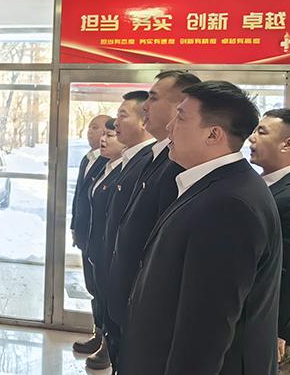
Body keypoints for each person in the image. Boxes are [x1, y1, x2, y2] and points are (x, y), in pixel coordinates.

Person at [120, 81, 282, 375]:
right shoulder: (214, 185)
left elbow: (206, 328)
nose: (169, 126)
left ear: (213, 134)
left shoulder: (229, 204)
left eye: (181, 118)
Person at [104, 71, 200, 370]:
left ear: (181, 106)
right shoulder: (152, 156)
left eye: (154, 98)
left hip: (147, 311)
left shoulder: (180, 165)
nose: (145, 106)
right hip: (127, 302)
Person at [95, 91, 155, 371]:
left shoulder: (149, 161)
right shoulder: (133, 159)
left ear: (144, 120)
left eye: (122, 115)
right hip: (115, 269)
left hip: (133, 282)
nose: (115, 122)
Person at [249, 108, 290, 361]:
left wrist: (278, 327)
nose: (251, 137)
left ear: (287, 144)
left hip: (275, 326)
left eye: (262, 132)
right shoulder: (258, 184)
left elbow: (289, 266)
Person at [82, 118, 126, 367]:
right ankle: (99, 335)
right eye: (104, 134)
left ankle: (107, 347)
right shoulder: (103, 165)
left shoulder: (126, 170)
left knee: (108, 296)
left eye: (111, 135)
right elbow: (85, 201)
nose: (103, 139)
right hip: (94, 243)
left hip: (109, 248)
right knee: (96, 291)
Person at [72, 115, 111, 355]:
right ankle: (98, 334)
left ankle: (106, 342)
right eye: (90, 127)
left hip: (101, 240)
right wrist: (75, 227)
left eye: (96, 128)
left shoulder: (110, 162)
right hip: (86, 236)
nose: (90, 132)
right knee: (92, 288)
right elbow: (80, 197)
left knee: (103, 290)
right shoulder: (88, 159)